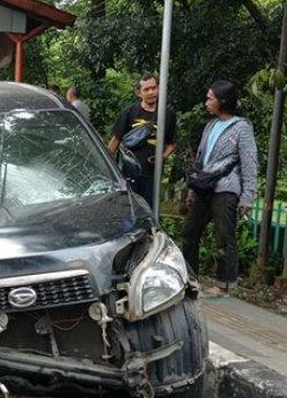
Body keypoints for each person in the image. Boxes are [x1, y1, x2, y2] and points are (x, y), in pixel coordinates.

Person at [182, 78, 257, 296]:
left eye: (210, 98)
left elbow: (249, 162)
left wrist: (247, 196)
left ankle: (224, 285)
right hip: (204, 188)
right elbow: (200, 160)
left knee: (224, 236)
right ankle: (190, 278)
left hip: (226, 187)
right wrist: (192, 191)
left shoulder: (242, 127)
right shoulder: (210, 125)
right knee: (189, 232)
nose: (206, 102)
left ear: (223, 100)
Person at [107, 73, 177, 206]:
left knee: (149, 211)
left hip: (152, 176)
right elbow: (115, 141)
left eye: (154, 88)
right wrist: (109, 169)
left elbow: (173, 143)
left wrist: (162, 157)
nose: (151, 92)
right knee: (128, 211)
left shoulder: (168, 114)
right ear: (139, 93)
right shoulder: (129, 113)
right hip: (128, 175)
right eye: (146, 89)